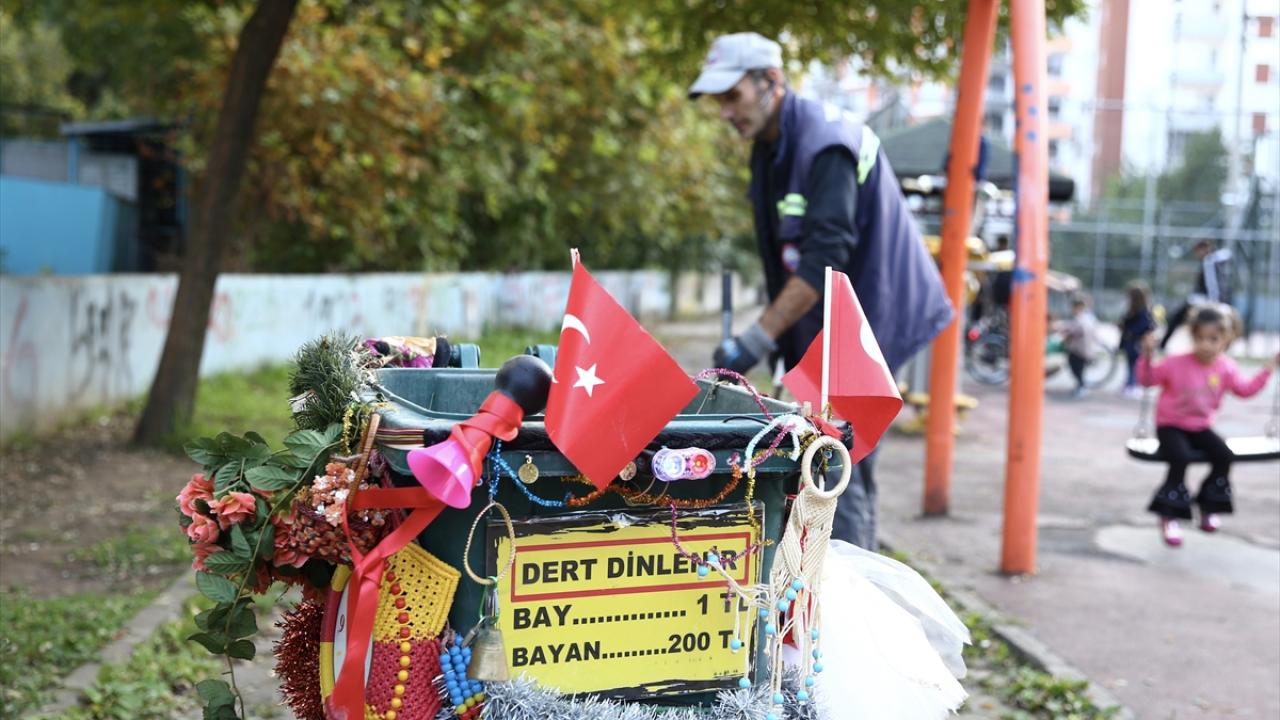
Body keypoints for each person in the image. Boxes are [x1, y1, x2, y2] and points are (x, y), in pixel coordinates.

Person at [690, 33, 953, 549]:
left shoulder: (826, 146)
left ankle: (844, 590)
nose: (724, 112)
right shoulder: (769, 147)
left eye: (732, 96)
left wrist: (755, 339)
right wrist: (783, 345)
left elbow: (821, 265)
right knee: (833, 449)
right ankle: (843, 570)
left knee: (835, 451)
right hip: (835, 318)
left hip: (876, 313)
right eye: (718, 101)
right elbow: (785, 259)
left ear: (771, 81)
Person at [1137, 305, 1276, 547]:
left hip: (1200, 426)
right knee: (1179, 458)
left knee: (1224, 456)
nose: (1206, 345)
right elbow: (1147, 380)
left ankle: (1208, 506)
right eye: (1200, 338)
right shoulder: (1175, 363)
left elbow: (1245, 390)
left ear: (1227, 339)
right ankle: (1169, 516)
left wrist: (1268, 369)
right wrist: (1147, 355)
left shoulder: (1226, 367)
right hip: (1171, 425)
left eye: (1213, 339)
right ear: (1192, 336)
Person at [1159, 240, 1233, 350]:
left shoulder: (1210, 261)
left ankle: (1163, 345)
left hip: (1204, 300)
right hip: (1202, 299)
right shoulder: (1212, 260)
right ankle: (1163, 344)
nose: (1198, 254)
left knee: (1179, 319)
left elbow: (1212, 283)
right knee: (1178, 319)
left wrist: (1214, 302)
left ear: (1205, 249)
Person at [1118, 280, 1156, 398]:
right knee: (1130, 364)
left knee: (1135, 365)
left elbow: (1145, 327)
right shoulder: (1133, 311)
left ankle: (1133, 385)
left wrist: (1129, 330)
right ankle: (1129, 383)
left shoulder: (1143, 312)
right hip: (1130, 342)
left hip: (1137, 342)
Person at [1059, 294, 1099, 397]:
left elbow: (1077, 330)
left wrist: (1067, 334)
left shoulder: (1082, 318)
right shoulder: (1088, 317)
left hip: (1080, 349)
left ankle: (1082, 386)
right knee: (1078, 369)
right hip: (1084, 348)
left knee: (1077, 368)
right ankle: (1081, 385)